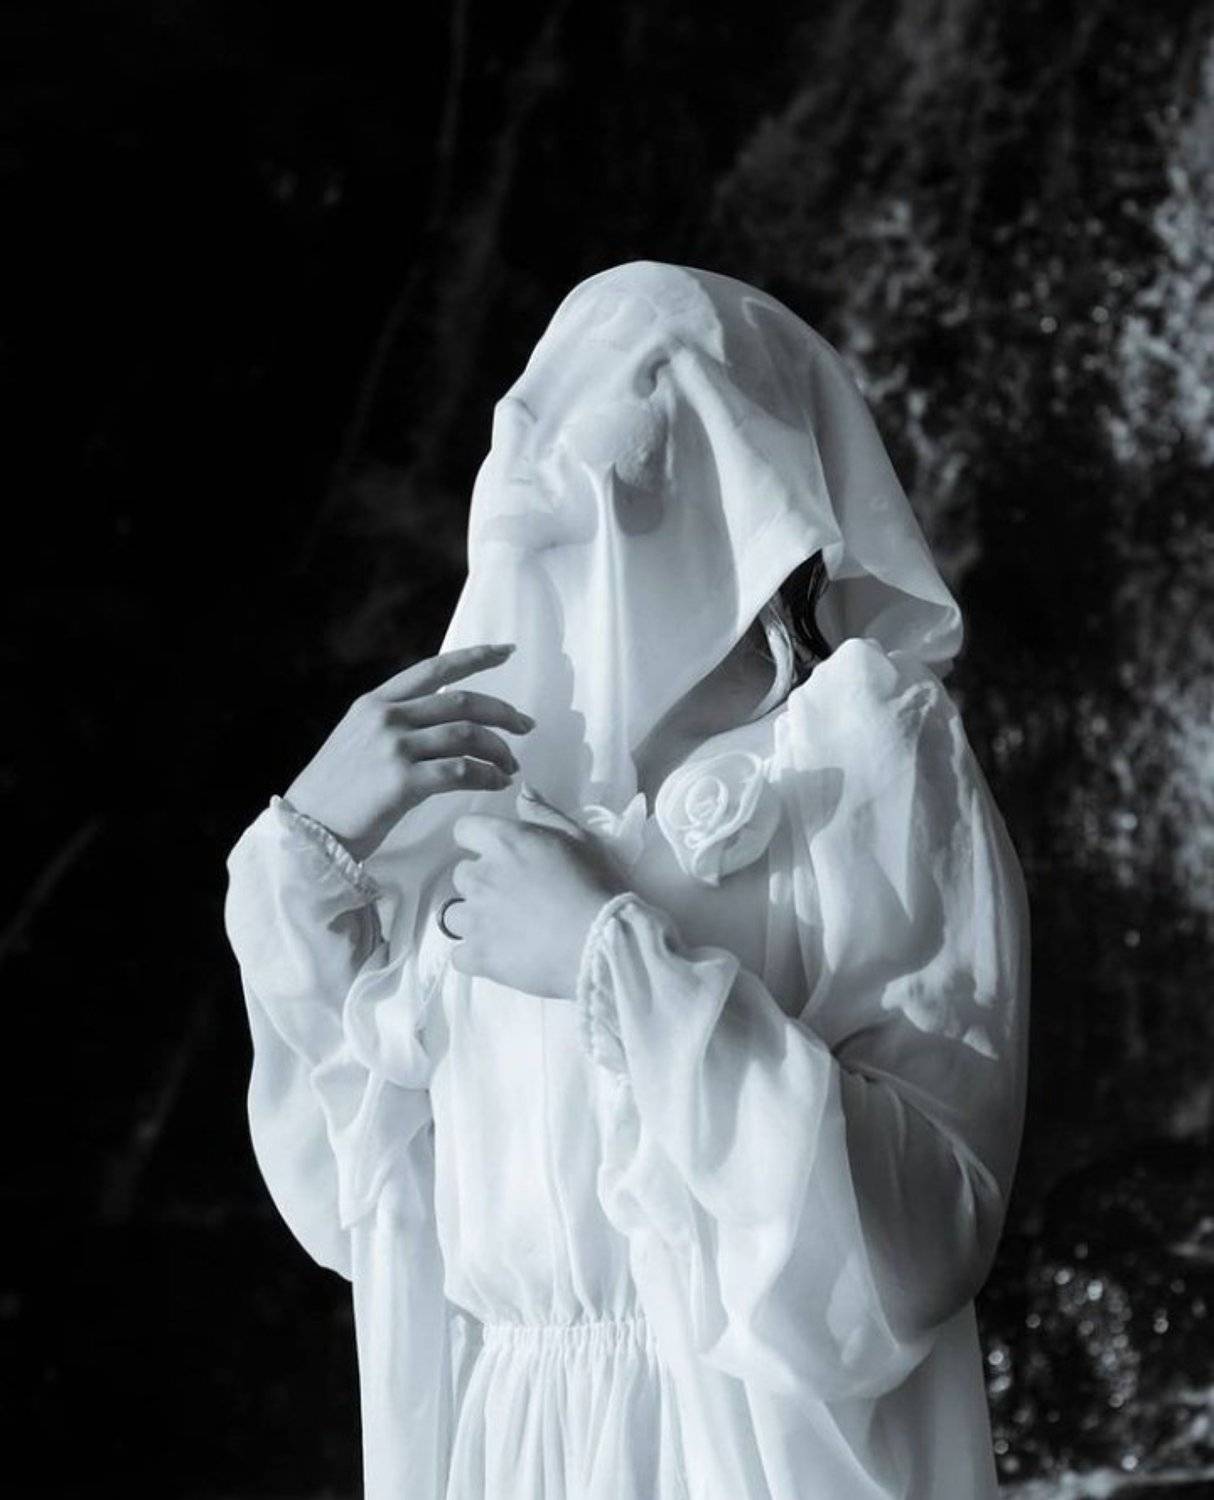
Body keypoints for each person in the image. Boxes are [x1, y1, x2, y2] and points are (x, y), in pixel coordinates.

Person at [222, 260, 1031, 1499]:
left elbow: (917, 1247)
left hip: (744, 1460)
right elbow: (359, 1206)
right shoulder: (475, 809)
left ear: (741, 468)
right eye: (531, 431)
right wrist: (300, 860)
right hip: (512, 1457)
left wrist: (616, 962)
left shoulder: (865, 754)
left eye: (613, 429)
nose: (542, 474)